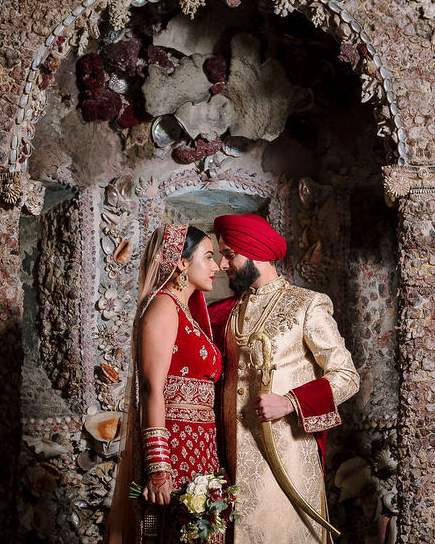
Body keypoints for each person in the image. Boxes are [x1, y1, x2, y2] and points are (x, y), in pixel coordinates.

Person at [207, 213, 359, 544]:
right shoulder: (228, 312)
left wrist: (289, 403)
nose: (222, 264)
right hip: (231, 457)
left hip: (285, 455)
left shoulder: (307, 304)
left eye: (229, 254)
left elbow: (347, 377)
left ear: (254, 251)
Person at [108, 224, 223, 544]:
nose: (216, 266)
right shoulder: (164, 307)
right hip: (175, 447)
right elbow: (150, 389)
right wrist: (159, 467)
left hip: (201, 447)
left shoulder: (187, 311)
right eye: (209, 257)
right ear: (182, 262)